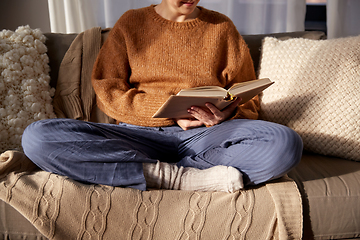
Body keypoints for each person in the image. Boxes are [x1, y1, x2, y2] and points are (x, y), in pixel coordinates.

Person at [21, 0, 303, 192]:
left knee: (285, 143)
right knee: (37, 137)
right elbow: (108, 90)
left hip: (207, 137)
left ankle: (151, 172)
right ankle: (180, 178)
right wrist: (169, 111)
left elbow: (248, 97)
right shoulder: (132, 23)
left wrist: (228, 112)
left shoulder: (222, 27)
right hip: (139, 136)